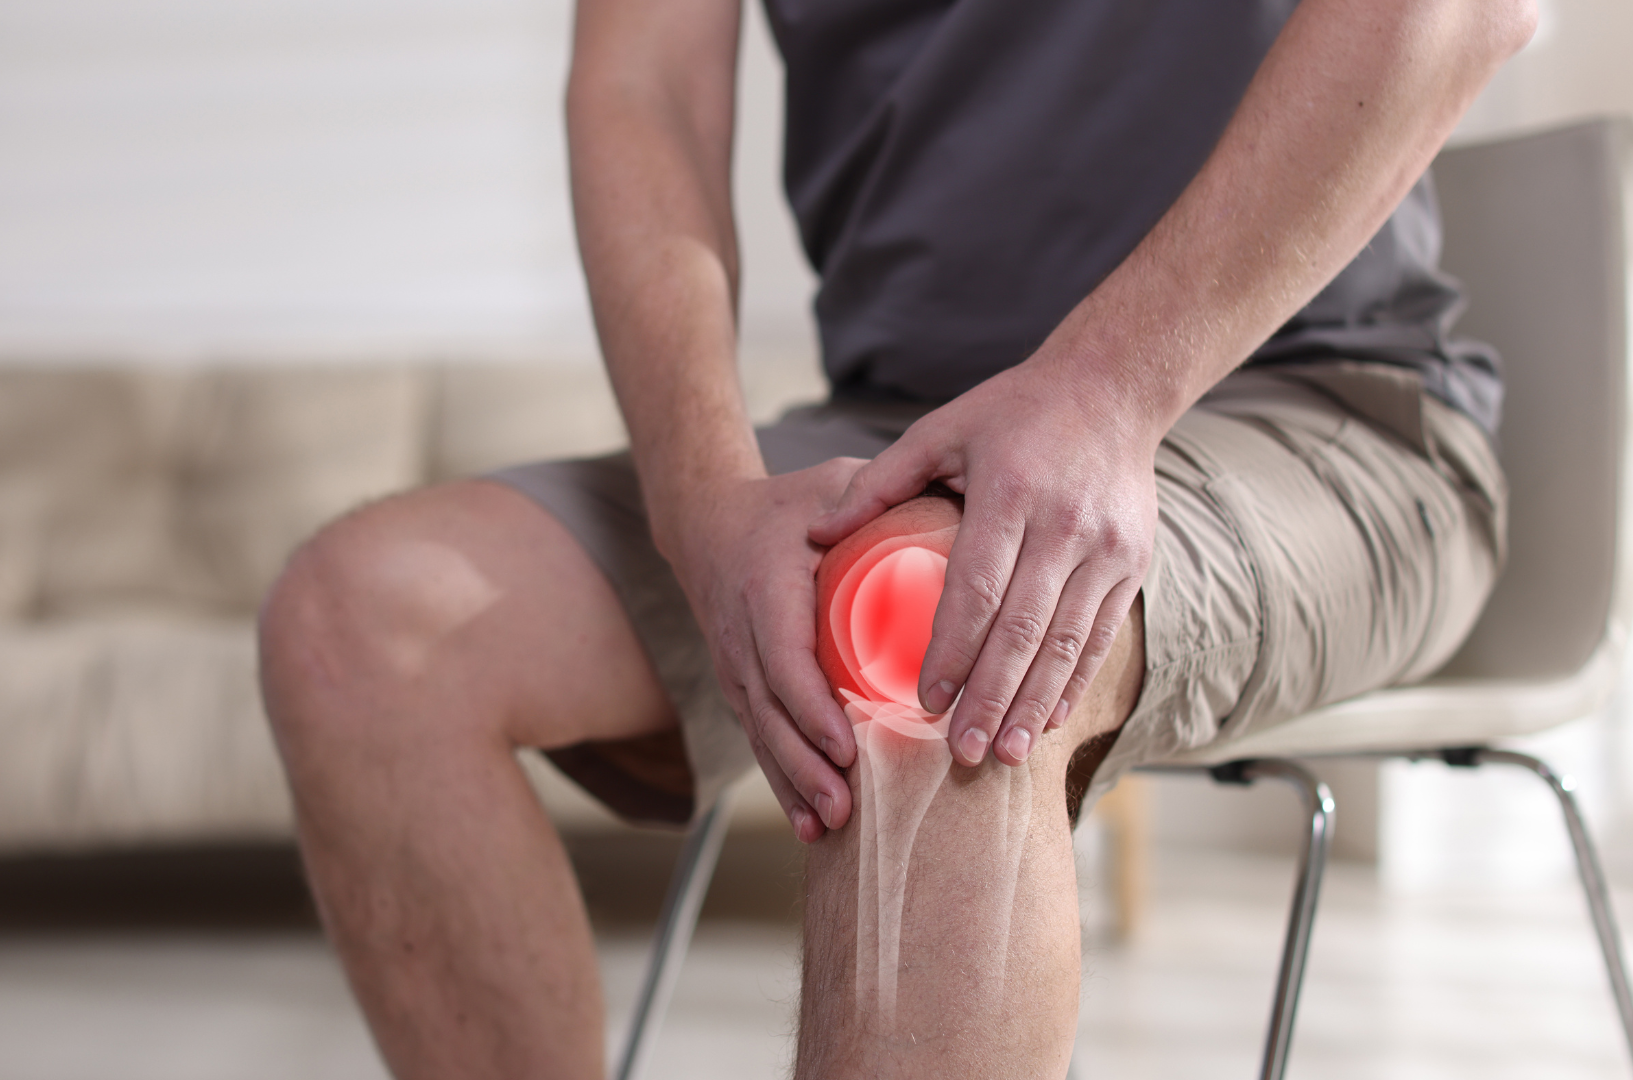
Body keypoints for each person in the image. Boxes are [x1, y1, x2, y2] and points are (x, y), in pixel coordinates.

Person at [257, 0, 1533, 1075]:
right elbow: (644, 84)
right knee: (364, 624)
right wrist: (702, 503)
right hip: (888, 421)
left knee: (925, 630)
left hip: (1300, 392)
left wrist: (1105, 390)